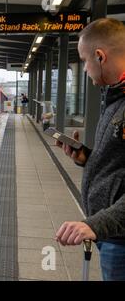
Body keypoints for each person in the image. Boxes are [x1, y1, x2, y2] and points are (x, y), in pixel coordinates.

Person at [55, 18, 125, 281]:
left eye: (84, 61)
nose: (84, 69)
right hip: (112, 234)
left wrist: (93, 224)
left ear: (100, 56)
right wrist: (87, 157)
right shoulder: (116, 98)